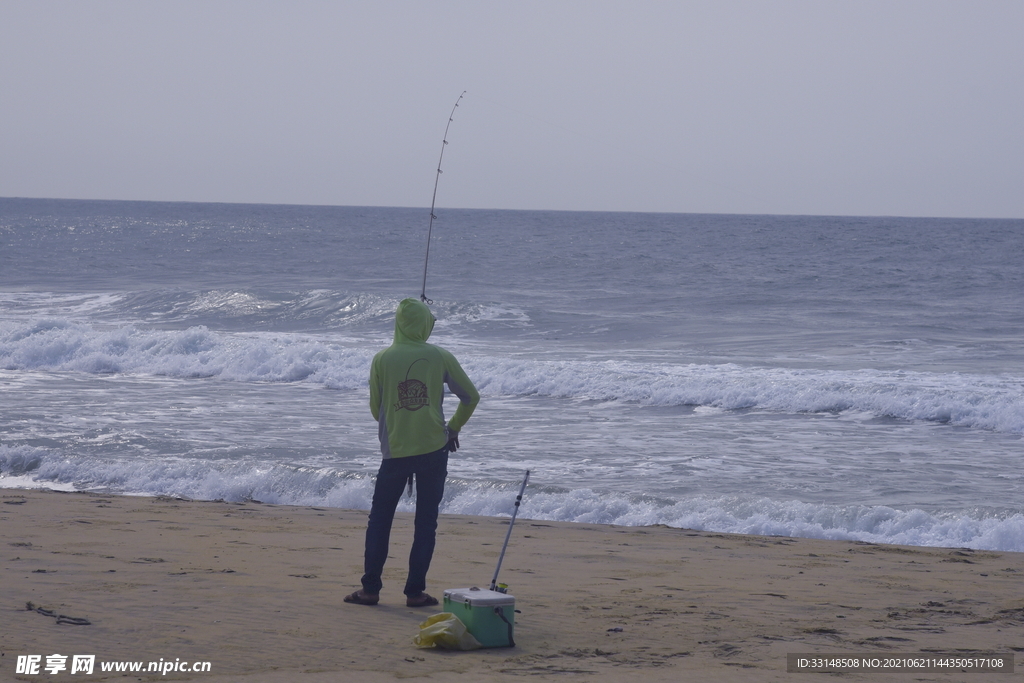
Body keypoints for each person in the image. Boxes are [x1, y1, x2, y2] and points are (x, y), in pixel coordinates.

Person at [345, 298, 479, 607]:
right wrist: (453, 429)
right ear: (424, 324)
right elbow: (471, 396)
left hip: (395, 451)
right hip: (434, 447)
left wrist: (400, 422)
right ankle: (415, 592)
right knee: (425, 522)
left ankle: (370, 590)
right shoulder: (440, 356)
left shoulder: (382, 359)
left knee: (380, 520)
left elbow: (375, 410)